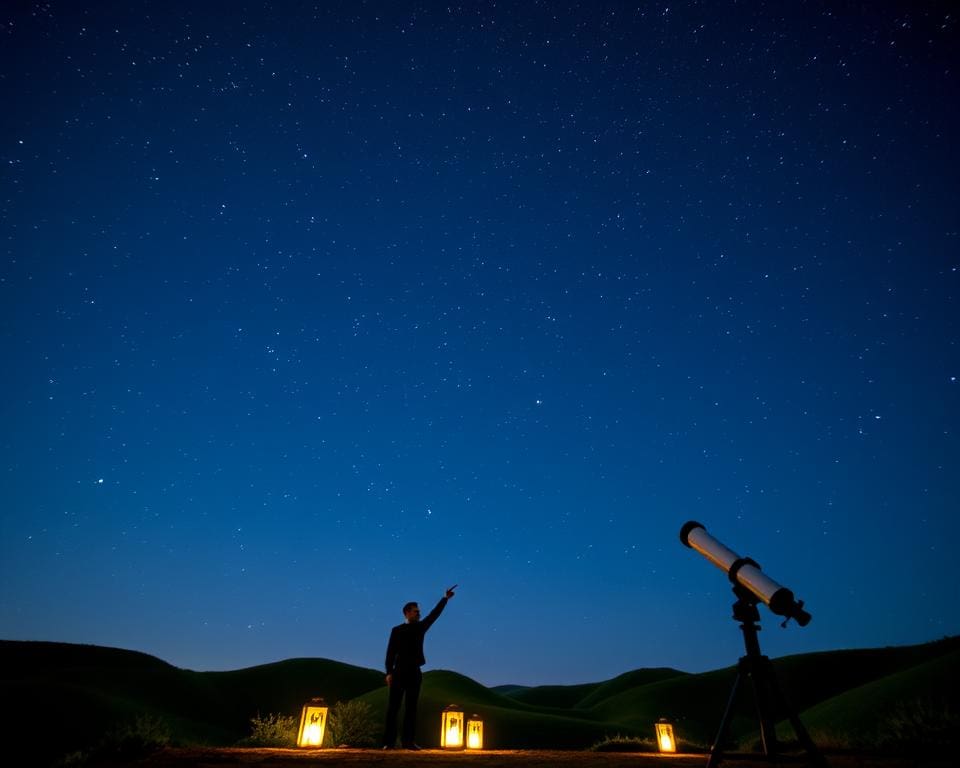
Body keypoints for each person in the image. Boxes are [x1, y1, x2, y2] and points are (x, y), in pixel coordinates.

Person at [382, 584, 457, 750]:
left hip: (414, 672)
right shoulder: (396, 630)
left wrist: (445, 598)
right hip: (398, 672)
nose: (419, 613)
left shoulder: (420, 627)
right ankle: (389, 742)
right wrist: (388, 672)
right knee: (393, 708)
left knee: (411, 708)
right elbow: (390, 653)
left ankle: (408, 742)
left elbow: (434, 614)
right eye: (416, 611)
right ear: (407, 612)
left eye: (419, 611)